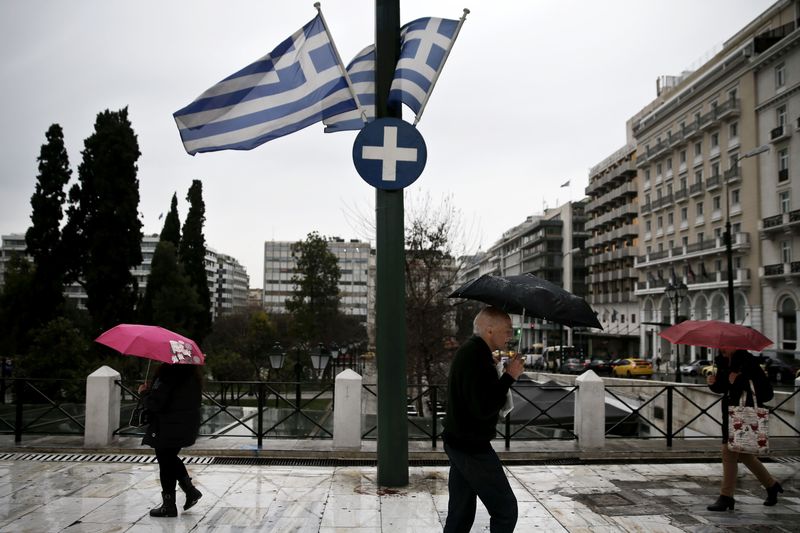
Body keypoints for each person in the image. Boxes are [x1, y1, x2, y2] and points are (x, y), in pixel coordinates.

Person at [442, 306, 525, 532]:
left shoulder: (474, 352)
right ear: (490, 330)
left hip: (460, 441)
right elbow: (484, 407)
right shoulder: (475, 356)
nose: (510, 336)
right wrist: (509, 377)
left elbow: (479, 397)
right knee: (506, 510)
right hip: (471, 446)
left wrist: (504, 375)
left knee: (460, 513)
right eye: (507, 331)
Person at [706, 348, 782, 511]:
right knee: (745, 455)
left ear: (734, 345)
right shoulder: (722, 361)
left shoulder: (750, 362)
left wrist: (739, 381)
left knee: (728, 451)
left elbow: (766, 393)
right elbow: (723, 388)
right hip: (730, 414)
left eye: (725, 344)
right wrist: (713, 383)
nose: (721, 346)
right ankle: (772, 485)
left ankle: (726, 497)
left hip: (746, 415)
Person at [138, 362, 203, 517]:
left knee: (166, 462)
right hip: (186, 425)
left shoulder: (166, 376)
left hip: (168, 426)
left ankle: (170, 505)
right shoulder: (192, 375)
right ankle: (189, 492)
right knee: (169, 459)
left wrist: (144, 393)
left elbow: (155, 404)